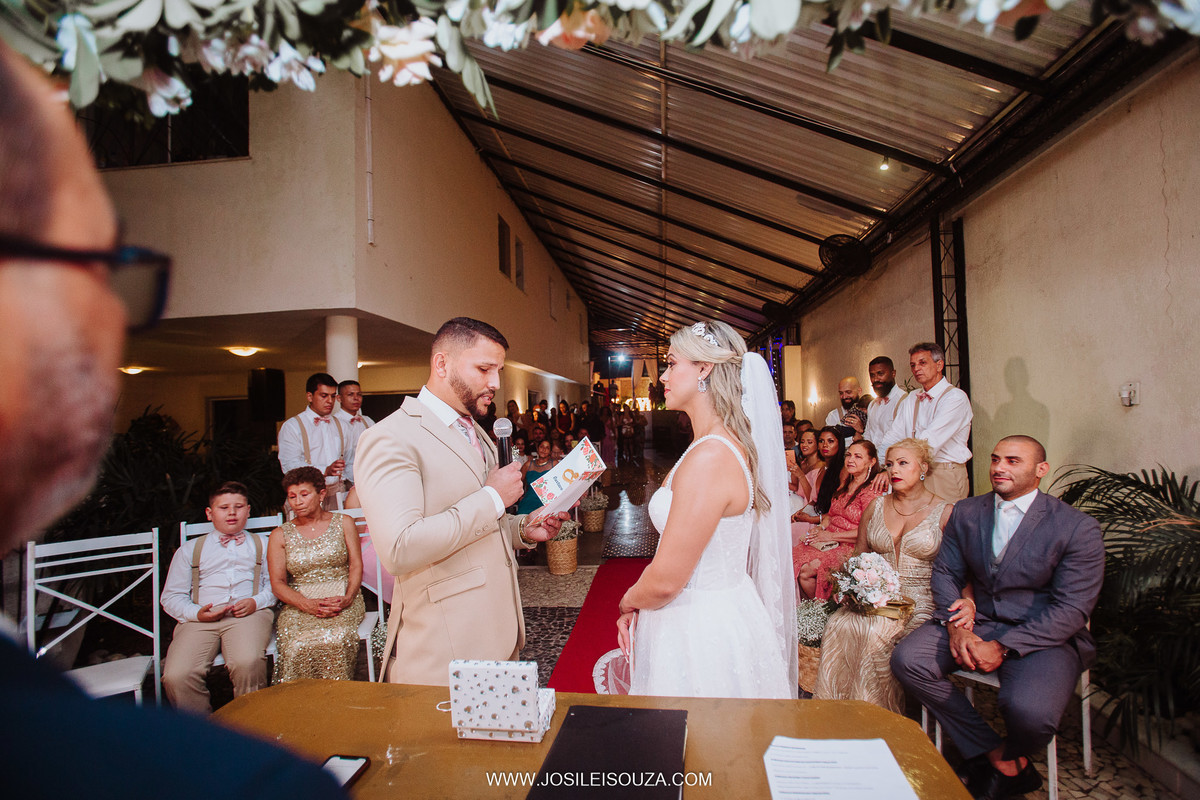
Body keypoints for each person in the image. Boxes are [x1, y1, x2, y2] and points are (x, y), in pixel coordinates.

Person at [0, 41, 344, 798]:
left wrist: (250, 598)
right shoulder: (234, 783)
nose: (106, 337)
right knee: (184, 666)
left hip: (248, 614)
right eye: (88, 276)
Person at [353, 318, 569, 686]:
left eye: (498, 370)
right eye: (484, 369)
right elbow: (401, 547)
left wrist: (522, 528)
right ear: (442, 364)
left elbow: (481, 522)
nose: (495, 383)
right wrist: (492, 497)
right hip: (445, 646)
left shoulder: (474, 430)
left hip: (498, 630)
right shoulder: (390, 437)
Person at [892, 436, 1104, 800]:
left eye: (1012, 461)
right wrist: (958, 627)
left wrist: (1004, 647)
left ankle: (1005, 757)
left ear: (1040, 470)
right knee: (908, 660)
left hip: (1041, 635)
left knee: (1030, 714)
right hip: (977, 620)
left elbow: (1072, 609)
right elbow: (945, 572)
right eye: (995, 459)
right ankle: (996, 756)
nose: (999, 468)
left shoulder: (1075, 527)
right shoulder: (967, 512)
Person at [616, 320, 797, 699]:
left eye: (671, 363)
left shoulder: (711, 457)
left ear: (704, 368)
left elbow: (666, 581)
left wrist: (628, 600)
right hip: (713, 610)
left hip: (700, 629)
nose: (663, 376)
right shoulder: (713, 445)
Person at [814, 439, 959, 712]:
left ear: (923, 468)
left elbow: (956, 570)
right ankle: (837, 714)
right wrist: (854, 588)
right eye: (890, 464)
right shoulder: (876, 507)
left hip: (921, 599)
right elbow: (858, 557)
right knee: (837, 624)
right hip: (876, 596)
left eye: (904, 463)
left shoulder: (946, 512)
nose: (895, 470)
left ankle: (878, 718)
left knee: (875, 634)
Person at [161, 482, 276, 715]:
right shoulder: (190, 549)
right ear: (209, 513)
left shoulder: (263, 545)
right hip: (200, 618)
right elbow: (172, 596)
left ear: (249, 510)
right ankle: (203, 734)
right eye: (223, 507)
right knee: (177, 675)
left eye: (238, 506)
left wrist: (256, 601)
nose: (232, 512)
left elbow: (276, 585)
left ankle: (252, 725)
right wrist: (196, 613)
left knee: (248, 662)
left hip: (248, 613)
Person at [268, 467, 366, 683]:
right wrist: (306, 604)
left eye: (304, 494)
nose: (297, 502)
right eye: (292, 497)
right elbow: (277, 583)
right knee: (296, 643)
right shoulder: (279, 534)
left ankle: (338, 700)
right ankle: (302, 703)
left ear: (321, 494)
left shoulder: (343, 522)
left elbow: (356, 565)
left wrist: (349, 597)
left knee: (337, 638)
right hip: (298, 602)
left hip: (341, 595)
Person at [875, 342, 973, 502]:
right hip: (911, 469)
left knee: (943, 523)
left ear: (939, 364)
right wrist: (884, 466)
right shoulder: (911, 398)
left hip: (943, 472)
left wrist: (900, 463)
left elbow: (930, 441)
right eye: (913, 365)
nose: (916, 369)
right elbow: (893, 435)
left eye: (922, 363)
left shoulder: (955, 398)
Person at [795, 440, 883, 599]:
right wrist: (821, 528)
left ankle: (820, 612)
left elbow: (868, 531)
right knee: (791, 560)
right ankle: (806, 613)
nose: (850, 460)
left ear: (872, 461)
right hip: (828, 540)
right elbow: (831, 515)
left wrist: (831, 536)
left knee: (805, 572)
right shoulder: (845, 485)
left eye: (858, 456)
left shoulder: (871, 493)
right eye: (848, 455)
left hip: (850, 546)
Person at [277, 372, 348, 509]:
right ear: (310, 396)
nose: (330, 401)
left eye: (333, 396)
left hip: (337, 494)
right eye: (324, 395)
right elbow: (289, 466)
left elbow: (349, 460)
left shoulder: (342, 425)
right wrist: (325, 470)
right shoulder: (292, 426)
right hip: (304, 496)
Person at [860, 356, 907, 448]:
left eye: (880, 373)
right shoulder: (872, 404)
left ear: (893, 373)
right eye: (872, 375)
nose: (876, 379)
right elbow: (868, 434)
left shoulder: (903, 401)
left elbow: (897, 437)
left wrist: (878, 459)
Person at [334, 379, 375, 485]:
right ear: (339, 398)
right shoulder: (333, 423)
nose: (356, 398)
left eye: (359, 394)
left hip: (367, 480)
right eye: (350, 394)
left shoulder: (367, 421)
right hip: (342, 483)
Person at [516, 440, 555, 515]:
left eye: (547, 448)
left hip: (546, 502)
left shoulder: (554, 464)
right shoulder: (528, 464)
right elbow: (518, 482)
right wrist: (520, 496)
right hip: (529, 501)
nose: (544, 450)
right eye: (542, 447)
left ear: (550, 451)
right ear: (537, 448)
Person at [825, 376, 862, 446]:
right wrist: (853, 439)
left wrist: (861, 431)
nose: (844, 397)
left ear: (859, 391)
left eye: (848, 392)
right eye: (841, 393)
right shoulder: (833, 415)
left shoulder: (869, 412)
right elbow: (829, 442)